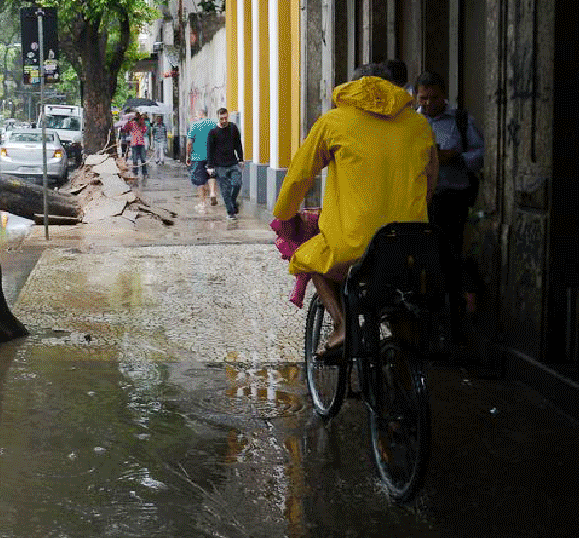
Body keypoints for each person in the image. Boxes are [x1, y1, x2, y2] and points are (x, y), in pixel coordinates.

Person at [271, 64, 438, 355]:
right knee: (400, 286)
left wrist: (284, 214)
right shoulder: (419, 124)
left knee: (313, 259)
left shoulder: (333, 122)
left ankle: (343, 326)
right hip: (409, 240)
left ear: (352, 87)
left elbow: (299, 176)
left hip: (353, 243)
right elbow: (431, 177)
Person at [415, 70, 484, 322]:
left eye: (433, 97)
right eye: (423, 98)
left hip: (453, 194)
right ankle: (433, 301)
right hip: (422, 198)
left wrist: (456, 158)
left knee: (449, 246)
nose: (428, 103)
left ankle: (459, 298)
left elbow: (480, 154)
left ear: (444, 96)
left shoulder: (461, 120)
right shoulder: (412, 123)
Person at [207, 108, 244, 220]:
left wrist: (241, 159)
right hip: (219, 165)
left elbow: (238, 144)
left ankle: (233, 201)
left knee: (237, 183)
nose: (224, 120)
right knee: (225, 190)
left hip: (232, 162)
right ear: (218, 118)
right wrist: (210, 166)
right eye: (221, 118)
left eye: (225, 118)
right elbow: (210, 150)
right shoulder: (213, 132)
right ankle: (230, 212)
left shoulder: (233, 128)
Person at [186, 109, 218, 210]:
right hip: (211, 156)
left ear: (200, 114)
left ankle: (202, 203)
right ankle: (212, 193)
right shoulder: (213, 124)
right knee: (211, 175)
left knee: (200, 181)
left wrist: (188, 156)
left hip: (197, 157)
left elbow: (189, 143)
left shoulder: (195, 125)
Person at [123, 112, 149, 178]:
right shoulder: (132, 123)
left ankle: (143, 172)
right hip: (136, 143)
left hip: (139, 142)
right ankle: (136, 172)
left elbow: (144, 130)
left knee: (142, 158)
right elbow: (126, 129)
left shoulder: (141, 124)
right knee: (136, 159)